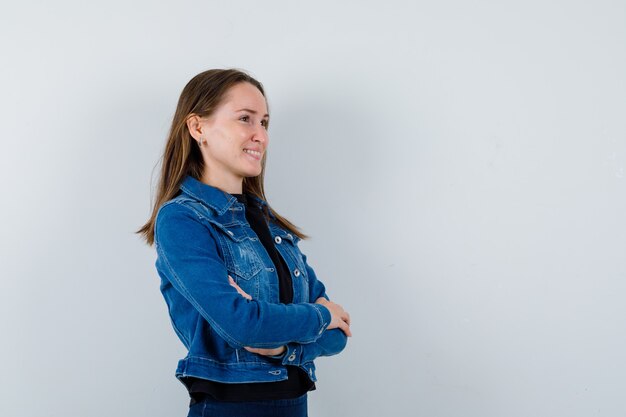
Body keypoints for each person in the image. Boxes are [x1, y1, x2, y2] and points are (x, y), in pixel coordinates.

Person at [136, 68, 351, 417]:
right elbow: (243, 325)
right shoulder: (182, 220)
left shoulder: (270, 224)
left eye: (264, 122)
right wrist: (320, 315)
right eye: (245, 119)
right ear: (198, 127)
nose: (260, 136)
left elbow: (338, 335)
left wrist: (281, 347)